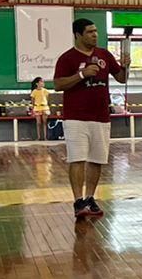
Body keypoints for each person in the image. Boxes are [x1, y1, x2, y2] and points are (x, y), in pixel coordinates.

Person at [52, 18, 128, 219]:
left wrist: (125, 67)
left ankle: (90, 198)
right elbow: (58, 85)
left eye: (96, 31)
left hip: (101, 116)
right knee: (77, 158)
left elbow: (121, 78)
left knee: (97, 160)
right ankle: (78, 201)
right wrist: (82, 74)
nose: (95, 35)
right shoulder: (67, 58)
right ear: (77, 35)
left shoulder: (104, 55)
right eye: (89, 32)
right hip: (76, 117)